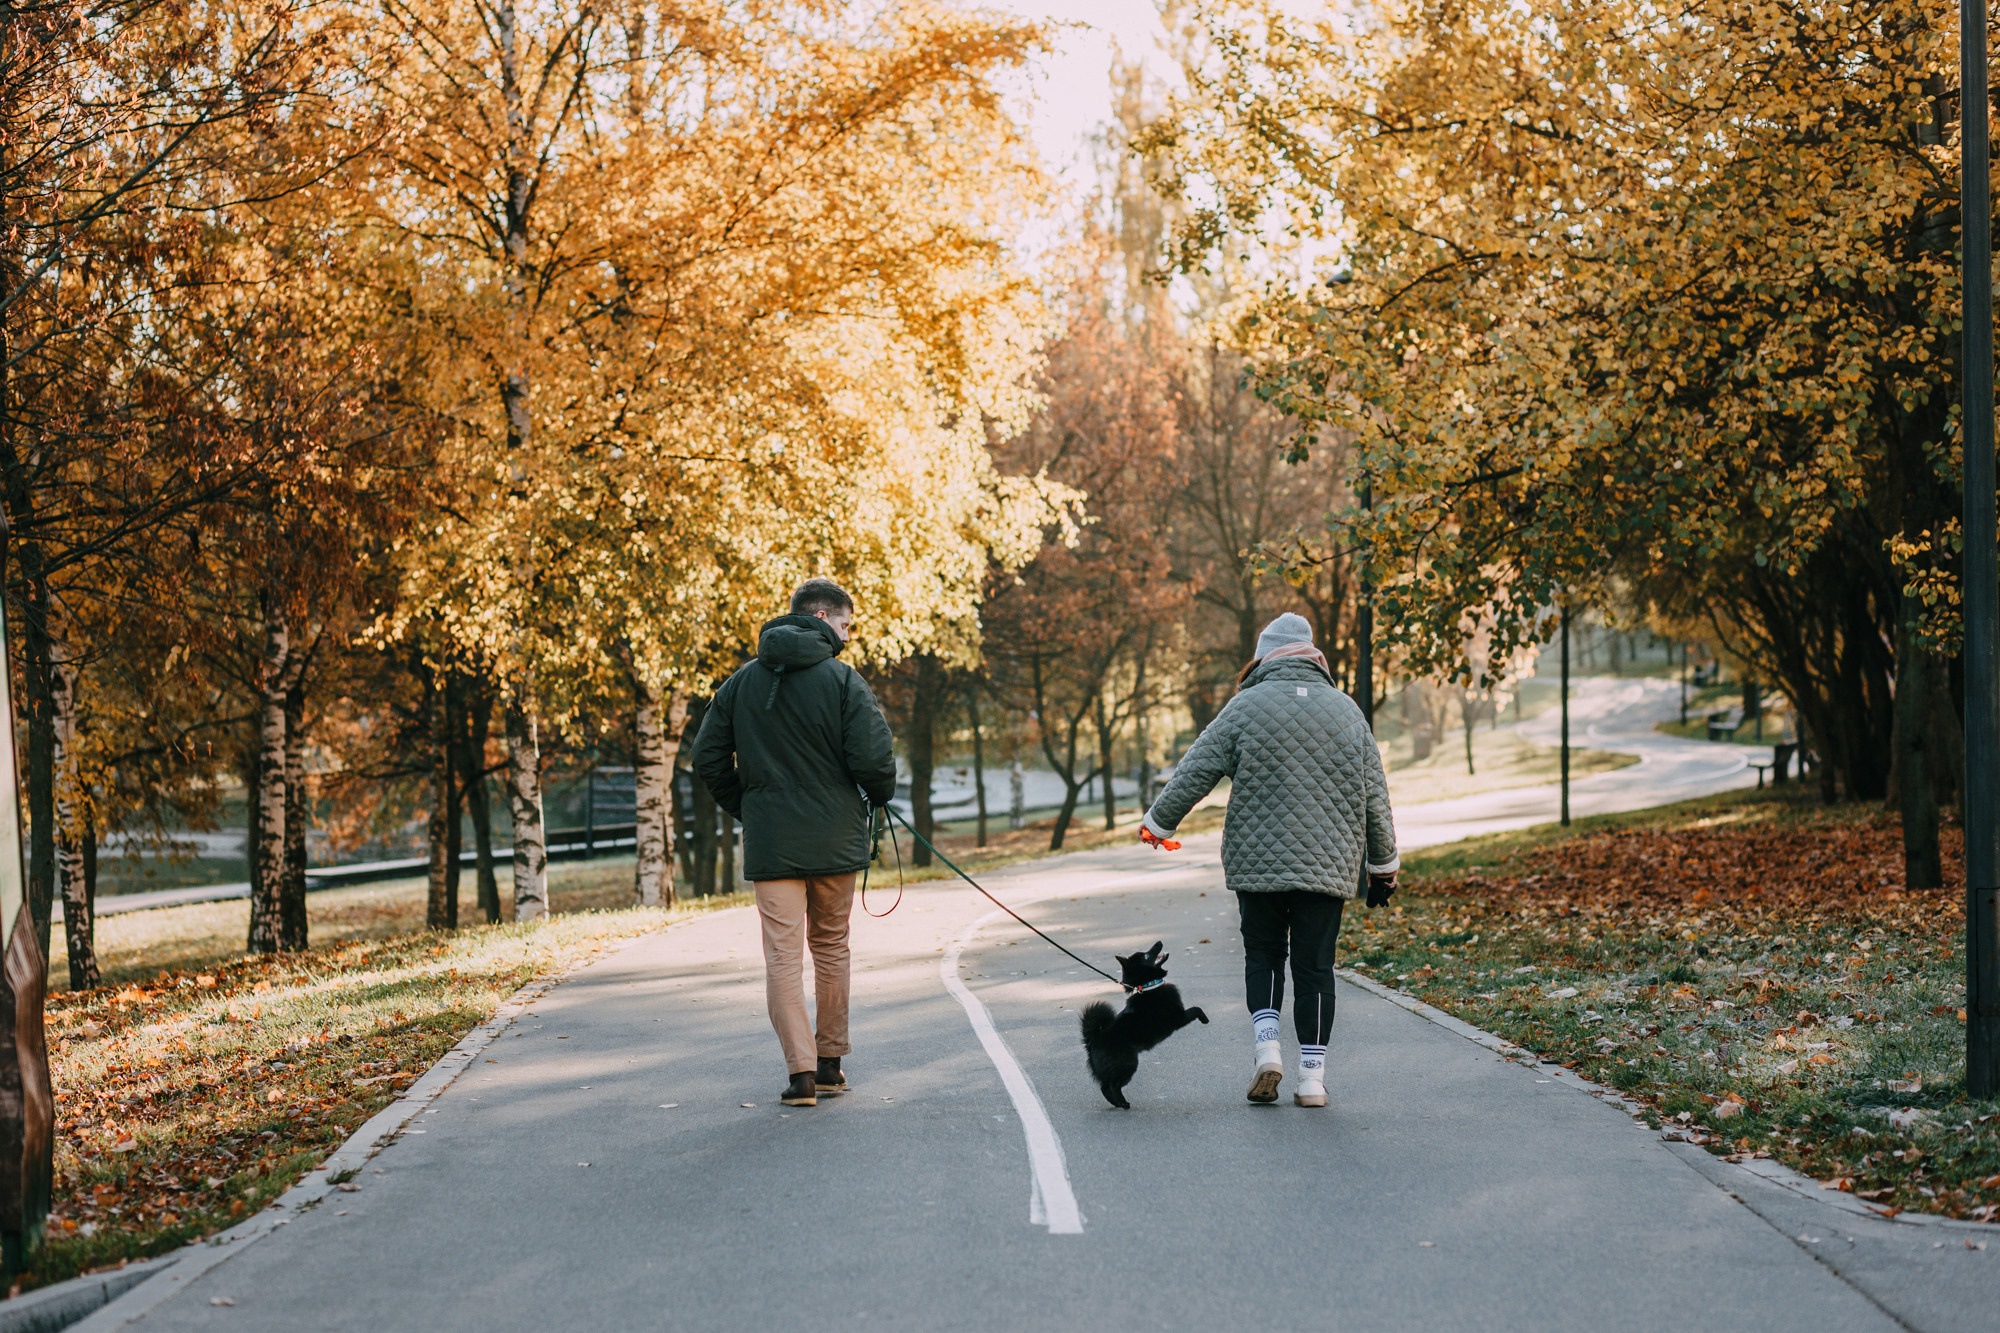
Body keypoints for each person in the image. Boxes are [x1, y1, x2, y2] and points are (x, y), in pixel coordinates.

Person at [1137, 612, 1398, 1108]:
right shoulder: (1347, 711)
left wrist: (1159, 822)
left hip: (1258, 864)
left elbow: (1197, 768)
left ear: (1264, 657)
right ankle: (1313, 1080)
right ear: (1312, 656)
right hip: (1328, 865)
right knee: (1316, 968)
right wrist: (1382, 866)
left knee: (1264, 957)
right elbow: (1375, 796)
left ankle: (1267, 1052)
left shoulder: (1245, 706)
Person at [693, 578, 897, 1108]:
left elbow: (708, 760)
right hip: (835, 842)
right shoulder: (845, 682)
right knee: (831, 947)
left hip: (773, 846)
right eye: (847, 625)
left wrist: (752, 809)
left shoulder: (740, 683)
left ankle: (800, 1076)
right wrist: (874, 797)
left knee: (782, 958)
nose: (849, 637)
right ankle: (831, 1065)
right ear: (824, 616)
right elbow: (874, 761)